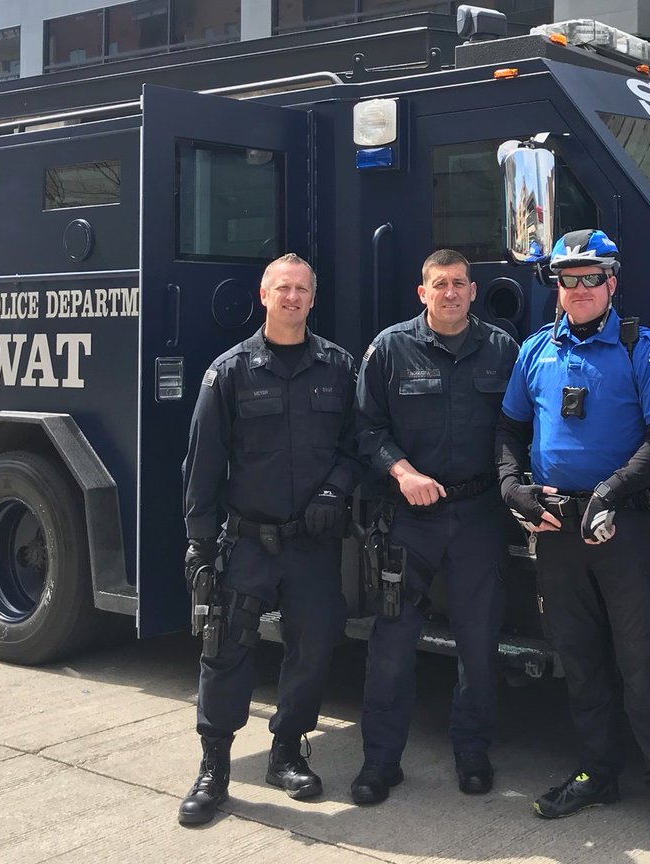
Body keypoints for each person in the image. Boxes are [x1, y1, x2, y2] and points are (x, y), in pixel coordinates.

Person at [495, 229, 650, 854]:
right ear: (555, 285)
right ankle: (597, 772)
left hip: (622, 527)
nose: (578, 288)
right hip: (556, 528)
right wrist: (512, 487)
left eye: (591, 277)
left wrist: (611, 490)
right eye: (567, 278)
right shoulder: (535, 349)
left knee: (642, 663)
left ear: (612, 282)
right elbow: (508, 429)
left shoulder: (642, 347)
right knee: (577, 658)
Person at [177, 253, 360, 825]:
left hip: (311, 543)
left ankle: (286, 753)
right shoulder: (230, 372)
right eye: (283, 288)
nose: (293, 297)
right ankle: (214, 769)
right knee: (225, 649)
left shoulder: (338, 367)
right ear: (264, 296)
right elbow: (202, 465)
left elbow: (356, 446)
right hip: (248, 540)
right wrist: (199, 543)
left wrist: (334, 490)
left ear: (313, 297)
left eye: (302, 289)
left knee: (314, 647)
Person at [352, 248, 518, 804]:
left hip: (478, 515)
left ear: (473, 291)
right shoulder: (389, 348)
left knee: (479, 642)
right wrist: (403, 473)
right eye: (439, 284)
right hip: (410, 518)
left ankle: (472, 754)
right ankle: (380, 762)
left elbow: (517, 426)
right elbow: (366, 428)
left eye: (459, 284)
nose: (450, 293)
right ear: (422, 292)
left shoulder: (503, 348)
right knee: (392, 643)